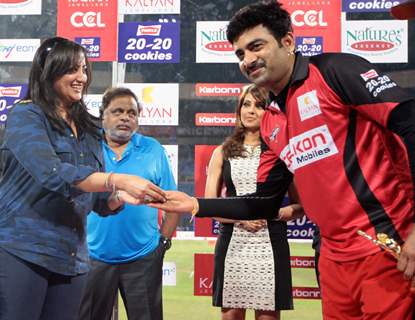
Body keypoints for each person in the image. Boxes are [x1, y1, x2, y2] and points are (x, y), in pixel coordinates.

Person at [151, 1, 415, 319]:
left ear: (288, 41)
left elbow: (410, 125)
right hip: (332, 256)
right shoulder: (270, 121)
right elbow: (265, 203)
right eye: (240, 54)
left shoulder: (335, 71)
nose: (248, 60)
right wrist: (195, 205)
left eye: (256, 46)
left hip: (386, 244)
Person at [0, 37, 166, 320]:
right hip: (23, 250)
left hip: (72, 259)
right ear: (49, 71)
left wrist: (119, 198)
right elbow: (51, 173)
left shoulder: (89, 126)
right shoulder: (26, 115)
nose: (81, 77)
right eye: (72, 70)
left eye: (84, 70)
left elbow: (98, 201)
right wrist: (117, 179)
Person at [79, 87, 178, 320]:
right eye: (118, 111)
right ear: (102, 115)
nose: (125, 117)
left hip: (143, 258)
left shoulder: (153, 149)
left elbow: (171, 201)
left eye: (132, 113)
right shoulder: (86, 147)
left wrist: (162, 242)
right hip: (93, 257)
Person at [206, 84, 300, 320]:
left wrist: (276, 213)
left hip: (270, 244)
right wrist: (241, 219)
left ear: (270, 112)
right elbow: (210, 205)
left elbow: (302, 206)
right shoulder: (222, 152)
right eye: (246, 104)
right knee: (232, 315)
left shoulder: (283, 152)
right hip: (233, 247)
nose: (250, 111)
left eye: (259, 106)